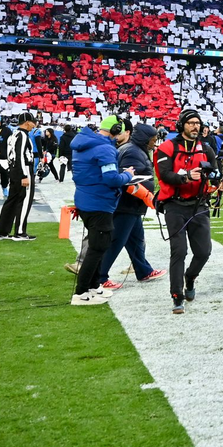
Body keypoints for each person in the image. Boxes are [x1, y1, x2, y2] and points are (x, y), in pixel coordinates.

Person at [155, 109, 223, 315]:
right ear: (181, 125)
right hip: (174, 205)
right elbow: (164, 174)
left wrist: (220, 183)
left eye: (198, 123)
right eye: (191, 123)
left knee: (204, 251)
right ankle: (177, 295)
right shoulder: (168, 147)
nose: (195, 126)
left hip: (199, 205)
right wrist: (186, 177)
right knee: (179, 251)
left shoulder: (206, 148)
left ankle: (190, 277)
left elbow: (215, 173)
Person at [71, 115, 135, 306]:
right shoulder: (105, 148)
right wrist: (127, 175)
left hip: (86, 199)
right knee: (97, 248)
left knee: (99, 246)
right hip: (99, 203)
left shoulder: (85, 144)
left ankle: (93, 286)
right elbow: (111, 179)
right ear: (115, 129)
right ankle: (81, 293)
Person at [97, 123, 167, 291]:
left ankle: (144, 271)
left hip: (132, 205)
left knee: (135, 240)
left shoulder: (133, 149)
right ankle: (100, 277)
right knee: (116, 241)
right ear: (145, 139)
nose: (154, 143)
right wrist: (146, 194)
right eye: (153, 139)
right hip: (127, 204)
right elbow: (125, 178)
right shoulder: (133, 152)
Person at [0, 113, 38, 241]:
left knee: (11, 200)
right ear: (27, 122)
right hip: (24, 170)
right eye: (33, 122)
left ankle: (1, 232)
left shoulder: (13, 135)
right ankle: (20, 232)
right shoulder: (23, 135)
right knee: (25, 201)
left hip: (13, 169)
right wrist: (24, 175)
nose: (34, 125)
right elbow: (20, 156)